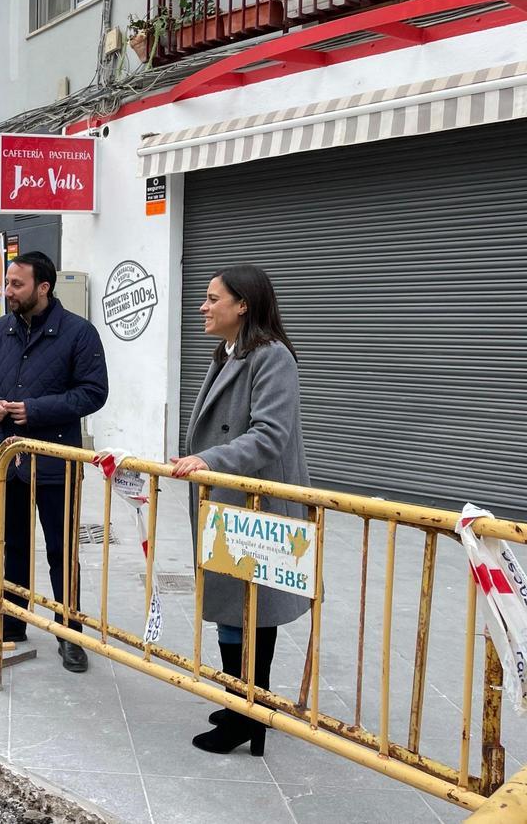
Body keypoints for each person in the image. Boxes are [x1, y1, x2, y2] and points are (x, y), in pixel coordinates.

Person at [170, 264, 310, 757]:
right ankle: (241, 702)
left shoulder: (271, 357)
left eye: (213, 298)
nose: (204, 307)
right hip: (228, 505)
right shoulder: (229, 353)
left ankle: (248, 715)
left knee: (251, 613)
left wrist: (208, 459)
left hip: (257, 508)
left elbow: (269, 436)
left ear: (243, 304)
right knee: (234, 610)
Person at [0, 251, 108, 673]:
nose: (8, 292)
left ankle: (70, 634)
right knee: (8, 544)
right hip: (8, 460)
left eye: (17, 285)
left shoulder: (79, 334)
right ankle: (10, 621)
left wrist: (37, 410)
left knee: (61, 551)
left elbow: (93, 392)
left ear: (43, 287)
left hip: (55, 463)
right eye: (8, 283)